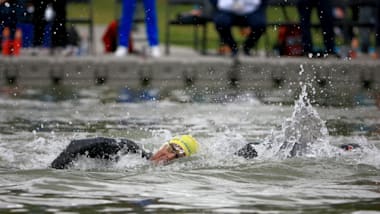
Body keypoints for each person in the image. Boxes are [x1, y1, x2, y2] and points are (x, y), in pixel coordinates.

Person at [51, 135, 199, 169]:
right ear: (164, 145)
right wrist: (54, 170)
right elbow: (76, 144)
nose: (170, 156)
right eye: (172, 149)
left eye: (178, 156)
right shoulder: (129, 150)